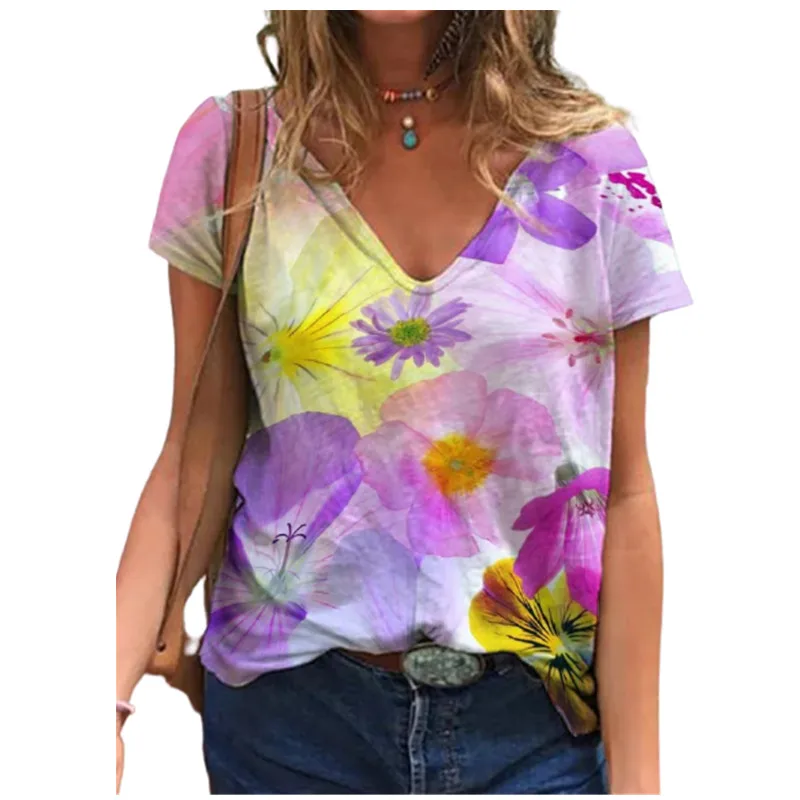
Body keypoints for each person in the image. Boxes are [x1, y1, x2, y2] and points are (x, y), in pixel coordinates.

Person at [116, 9, 692, 795]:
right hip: (292, 735)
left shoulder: (593, 166)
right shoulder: (235, 152)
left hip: (535, 737)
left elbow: (622, 493)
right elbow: (192, 454)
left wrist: (641, 782)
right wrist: (102, 704)